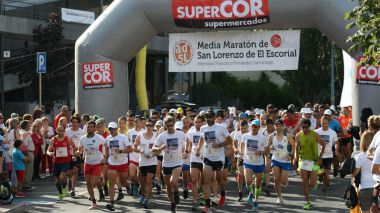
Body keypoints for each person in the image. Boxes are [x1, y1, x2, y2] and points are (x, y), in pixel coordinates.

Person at [196, 110, 232, 213]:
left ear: (214, 117)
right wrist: (199, 149)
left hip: (219, 158)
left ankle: (223, 193)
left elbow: (230, 140)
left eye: (210, 117)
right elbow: (202, 139)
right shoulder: (203, 128)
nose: (208, 119)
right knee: (206, 181)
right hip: (207, 157)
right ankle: (207, 206)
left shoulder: (221, 127)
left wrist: (220, 145)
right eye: (207, 117)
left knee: (219, 180)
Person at [152, 116, 187, 213]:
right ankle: (172, 204)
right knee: (168, 186)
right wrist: (160, 148)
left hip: (178, 162)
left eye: (171, 125)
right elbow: (153, 148)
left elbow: (188, 141)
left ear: (174, 124)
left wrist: (186, 151)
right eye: (167, 126)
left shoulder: (180, 134)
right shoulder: (162, 135)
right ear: (165, 126)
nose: (170, 127)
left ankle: (176, 193)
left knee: (173, 182)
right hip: (166, 163)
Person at [293, 118, 325, 210]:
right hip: (303, 160)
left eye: (306, 127)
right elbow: (296, 148)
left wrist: (320, 157)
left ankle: (314, 184)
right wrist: (295, 157)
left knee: (312, 184)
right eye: (303, 127)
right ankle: (307, 202)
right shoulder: (298, 135)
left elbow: (323, 144)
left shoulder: (315, 135)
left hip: (314, 160)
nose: (305, 129)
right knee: (304, 182)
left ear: (309, 127)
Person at [240, 119, 269, 210]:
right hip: (248, 162)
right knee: (248, 181)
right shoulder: (245, 136)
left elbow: (267, 150)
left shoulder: (262, 138)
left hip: (259, 163)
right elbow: (242, 145)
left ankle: (256, 201)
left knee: (258, 184)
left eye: (255, 126)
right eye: (252, 126)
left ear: (259, 128)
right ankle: (251, 193)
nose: (253, 128)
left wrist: (260, 153)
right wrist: (241, 154)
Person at [105, 122, 133, 211]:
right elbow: (106, 149)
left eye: (113, 129)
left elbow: (130, 149)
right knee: (112, 183)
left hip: (122, 163)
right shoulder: (108, 138)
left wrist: (120, 151)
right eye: (110, 129)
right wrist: (105, 158)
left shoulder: (123, 137)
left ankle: (127, 186)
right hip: (112, 164)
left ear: (117, 129)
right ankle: (112, 203)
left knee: (123, 182)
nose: (111, 131)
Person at [79, 120, 106, 210]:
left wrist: (104, 156)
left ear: (94, 128)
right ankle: (94, 202)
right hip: (88, 163)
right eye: (88, 127)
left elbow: (105, 145)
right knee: (88, 184)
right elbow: (80, 149)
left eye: (91, 127)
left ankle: (100, 178)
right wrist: (78, 153)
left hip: (97, 163)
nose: (89, 128)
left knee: (93, 183)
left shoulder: (99, 137)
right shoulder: (82, 138)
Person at [268, 119, 295, 204]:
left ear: (283, 127)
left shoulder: (287, 136)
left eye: (280, 126)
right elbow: (267, 146)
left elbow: (294, 146)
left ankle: (285, 181)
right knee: (276, 179)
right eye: (277, 126)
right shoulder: (272, 136)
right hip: (275, 159)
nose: (279, 127)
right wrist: (268, 151)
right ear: (275, 127)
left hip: (285, 160)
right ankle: (279, 197)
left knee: (283, 181)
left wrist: (290, 155)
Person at [47, 125, 75, 201]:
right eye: (59, 130)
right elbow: (48, 150)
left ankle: (64, 189)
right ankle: (60, 192)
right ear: (56, 130)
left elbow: (74, 146)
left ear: (64, 131)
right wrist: (50, 153)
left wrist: (73, 155)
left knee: (63, 176)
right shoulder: (53, 139)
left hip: (66, 161)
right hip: (56, 162)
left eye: (62, 130)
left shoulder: (67, 139)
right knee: (57, 180)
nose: (60, 132)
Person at [134, 119, 157, 209]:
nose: (148, 127)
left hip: (152, 161)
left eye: (150, 126)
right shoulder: (140, 136)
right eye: (147, 125)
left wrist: (152, 154)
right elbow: (134, 147)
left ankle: (147, 200)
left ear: (153, 127)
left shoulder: (156, 136)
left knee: (149, 180)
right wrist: (140, 150)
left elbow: (159, 150)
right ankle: (143, 194)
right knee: (143, 181)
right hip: (143, 162)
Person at [353, 131, 376, 213]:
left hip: (365, 186)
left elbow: (354, 173)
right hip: (377, 186)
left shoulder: (360, 156)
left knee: (365, 210)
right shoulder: (378, 154)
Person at [186, 115, 205, 211]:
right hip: (194, 158)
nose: (197, 124)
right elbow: (188, 143)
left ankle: (204, 197)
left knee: (204, 182)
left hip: (205, 158)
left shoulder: (206, 130)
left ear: (203, 122)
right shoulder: (191, 131)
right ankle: (194, 201)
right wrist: (186, 152)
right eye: (196, 122)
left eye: (199, 122)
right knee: (194, 180)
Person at [315, 116, 338, 195]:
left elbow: (336, 142)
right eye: (322, 123)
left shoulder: (332, 132)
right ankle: (320, 175)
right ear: (320, 122)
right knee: (320, 172)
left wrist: (337, 150)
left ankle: (324, 187)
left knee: (326, 174)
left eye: (326, 123)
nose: (324, 125)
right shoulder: (316, 132)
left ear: (328, 123)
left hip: (328, 155)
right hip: (319, 155)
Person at [65, 115, 85, 196]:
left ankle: (73, 189)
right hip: (68, 153)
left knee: (75, 171)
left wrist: (80, 152)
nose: (74, 124)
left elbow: (83, 143)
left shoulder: (81, 132)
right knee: (69, 172)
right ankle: (69, 180)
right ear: (71, 122)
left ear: (78, 123)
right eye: (73, 122)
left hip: (77, 153)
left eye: (76, 122)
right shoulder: (67, 131)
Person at [127, 116, 145, 197]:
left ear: (142, 123)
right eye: (136, 122)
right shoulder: (130, 132)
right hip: (132, 156)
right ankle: (134, 185)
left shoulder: (144, 132)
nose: (137, 123)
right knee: (132, 175)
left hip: (141, 157)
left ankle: (138, 186)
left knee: (140, 176)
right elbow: (128, 143)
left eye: (139, 122)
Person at [233, 120, 249, 202]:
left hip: (249, 158)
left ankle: (248, 188)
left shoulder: (250, 134)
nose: (243, 130)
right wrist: (235, 149)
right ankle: (240, 193)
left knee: (247, 176)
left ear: (247, 127)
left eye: (245, 128)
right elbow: (234, 143)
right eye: (241, 128)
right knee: (240, 174)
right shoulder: (237, 134)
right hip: (240, 156)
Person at [19, 120, 34, 190]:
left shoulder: (23, 132)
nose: (30, 126)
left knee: (28, 169)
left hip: (28, 152)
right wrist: (27, 155)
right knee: (28, 169)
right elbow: (24, 146)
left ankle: (27, 184)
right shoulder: (24, 133)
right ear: (26, 126)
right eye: (29, 125)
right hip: (28, 152)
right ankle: (26, 185)